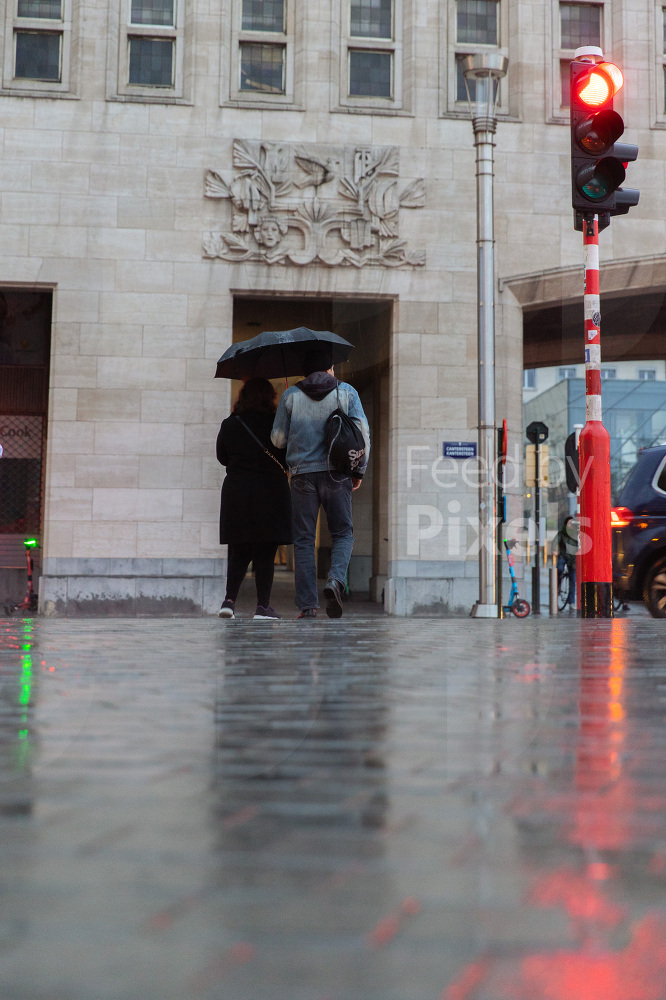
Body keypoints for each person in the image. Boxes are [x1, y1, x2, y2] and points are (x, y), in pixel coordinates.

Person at [271, 348, 370, 619]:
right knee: (343, 534)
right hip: (337, 474)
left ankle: (307, 606)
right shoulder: (346, 392)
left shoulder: (291, 395)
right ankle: (335, 580)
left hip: (302, 475)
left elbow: (278, 440)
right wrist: (358, 471)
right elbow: (362, 435)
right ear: (329, 368)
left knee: (303, 540)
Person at [216, 377, 292, 620]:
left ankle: (229, 601)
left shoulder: (230, 423)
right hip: (270, 491)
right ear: (269, 397)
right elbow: (288, 456)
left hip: (237, 491)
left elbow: (221, 457)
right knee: (265, 551)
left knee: (239, 549)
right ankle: (263, 606)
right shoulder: (276, 424)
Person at [557, 515, 579, 610]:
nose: (570, 525)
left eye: (572, 523)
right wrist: (555, 550)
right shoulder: (561, 533)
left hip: (572, 559)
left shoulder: (576, 534)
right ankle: (557, 586)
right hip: (563, 556)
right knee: (559, 569)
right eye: (569, 523)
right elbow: (555, 542)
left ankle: (571, 602)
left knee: (572, 580)